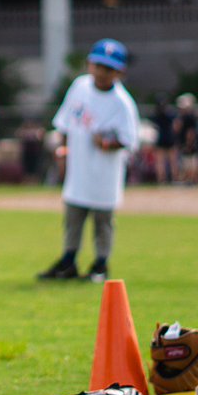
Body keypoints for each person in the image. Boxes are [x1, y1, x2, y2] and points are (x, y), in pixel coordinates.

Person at [39, 40, 139, 284]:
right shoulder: (80, 87)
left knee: (103, 221)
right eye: (98, 66)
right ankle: (68, 260)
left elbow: (129, 140)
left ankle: (101, 264)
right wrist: (62, 151)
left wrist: (107, 144)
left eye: (108, 68)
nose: (102, 73)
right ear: (89, 65)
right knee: (73, 216)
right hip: (78, 167)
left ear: (119, 72)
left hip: (104, 172)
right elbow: (64, 123)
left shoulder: (122, 103)